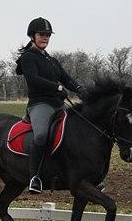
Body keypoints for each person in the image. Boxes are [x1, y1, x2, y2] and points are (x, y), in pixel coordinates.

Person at [15, 17, 85, 194]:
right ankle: (34, 177)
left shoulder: (52, 60)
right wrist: (56, 86)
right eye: (42, 34)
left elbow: (66, 78)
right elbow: (33, 80)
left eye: (47, 35)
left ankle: (81, 176)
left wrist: (79, 89)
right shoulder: (28, 58)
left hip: (57, 104)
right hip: (40, 105)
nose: (45, 38)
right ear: (33, 36)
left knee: (76, 132)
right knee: (41, 136)